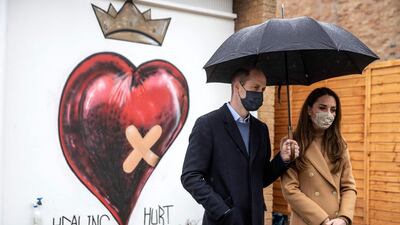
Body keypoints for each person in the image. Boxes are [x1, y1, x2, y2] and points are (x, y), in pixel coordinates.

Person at [181, 67, 300, 225]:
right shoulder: (208, 124)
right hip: (223, 221)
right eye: (255, 88)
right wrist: (223, 210)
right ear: (237, 87)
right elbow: (190, 177)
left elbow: (261, 178)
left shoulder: (261, 129)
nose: (259, 94)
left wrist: (282, 159)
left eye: (263, 89)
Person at [281, 87, 357, 225]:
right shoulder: (292, 143)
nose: (328, 114)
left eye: (333, 110)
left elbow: (349, 187)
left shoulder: (340, 144)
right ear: (309, 110)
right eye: (322, 108)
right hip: (307, 221)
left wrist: (344, 218)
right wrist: (322, 220)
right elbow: (290, 189)